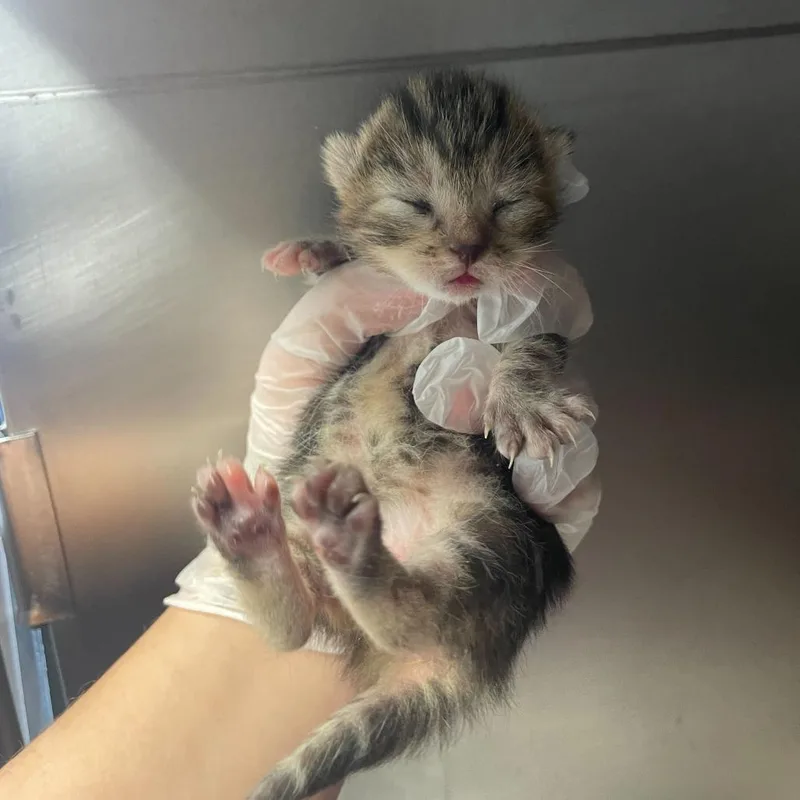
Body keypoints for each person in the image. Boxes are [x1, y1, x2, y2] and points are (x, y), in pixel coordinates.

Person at [0, 256, 597, 798]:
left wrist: (527, 372)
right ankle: (328, 572)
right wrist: (346, 262)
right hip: (366, 506)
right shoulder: (391, 284)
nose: (463, 248)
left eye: (504, 208)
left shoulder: (518, 291)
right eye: (419, 207)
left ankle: (299, 566)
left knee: (463, 546)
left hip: (420, 509)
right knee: (370, 570)